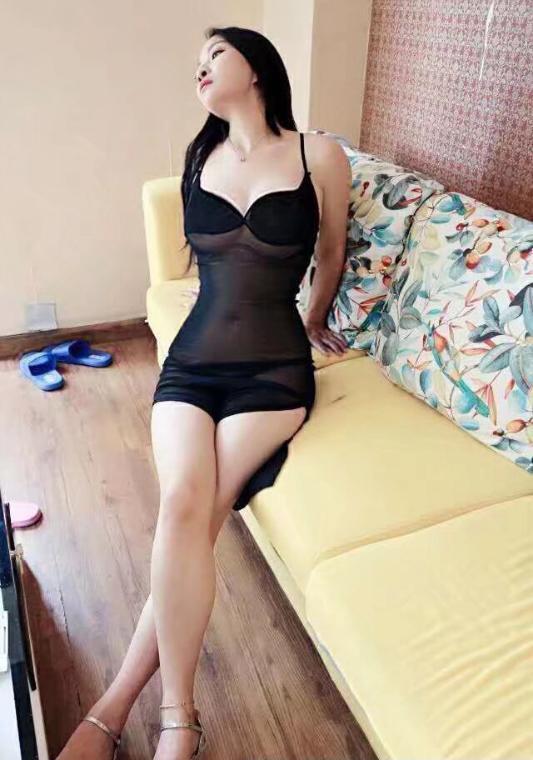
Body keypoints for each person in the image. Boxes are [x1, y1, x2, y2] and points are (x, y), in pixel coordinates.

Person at [56, 24, 351, 760]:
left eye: (214, 54)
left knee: (201, 510)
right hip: (191, 365)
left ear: (257, 66)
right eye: (196, 62)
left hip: (272, 372)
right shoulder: (200, 158)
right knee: (183, 502)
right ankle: (165, 717)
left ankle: (144, 716)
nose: (200, 69)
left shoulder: (318, 154)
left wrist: (314, 319)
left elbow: (331, 251)